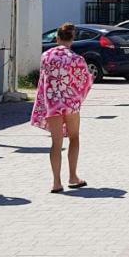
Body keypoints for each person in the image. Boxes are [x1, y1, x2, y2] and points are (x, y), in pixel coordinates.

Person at [30, 23, 93, 193]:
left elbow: (42, 82)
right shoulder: (77, 59)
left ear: (57, 38)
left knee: (56, 144)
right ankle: (73, 177)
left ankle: (56, 182)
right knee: (74, 138)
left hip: (52, 105)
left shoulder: (46, 56)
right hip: (70, 103)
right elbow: (85, 81)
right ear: (72, 40)